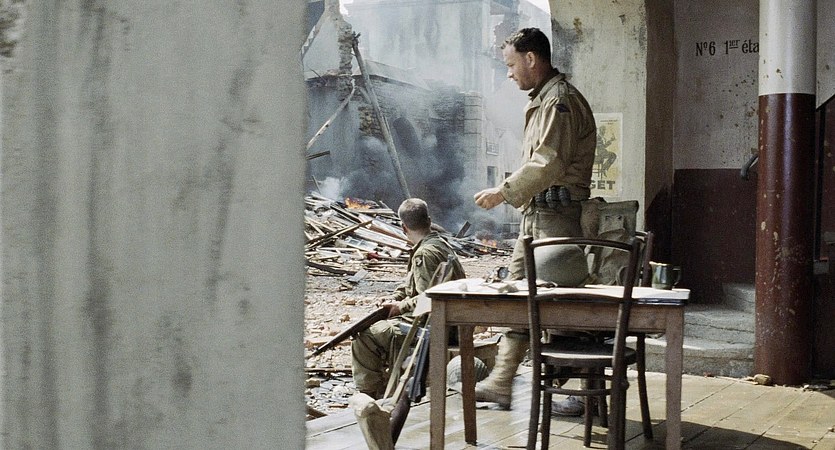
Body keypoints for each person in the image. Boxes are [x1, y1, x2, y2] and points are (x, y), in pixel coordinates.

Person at [473, 27, 597, 415]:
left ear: (531, 59)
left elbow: (548, 162)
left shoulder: (559, 101)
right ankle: (501, 382)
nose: (509, 73)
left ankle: (581, 389)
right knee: (517, 297)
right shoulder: (544, 100)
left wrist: (503, 191)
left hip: (556, 220)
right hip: (538, 216)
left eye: (512, 65)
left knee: (560, 306)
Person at [351, 198, 466, 399]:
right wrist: (395, 298)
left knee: (364, 337)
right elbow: (411, 286)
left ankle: (370, 396)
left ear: (403, 228)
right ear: (429, 221)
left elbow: (429, 298)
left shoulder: (424, 254)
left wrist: (399, 307)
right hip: (450, 322)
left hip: (436, 327)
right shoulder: (440, 244)